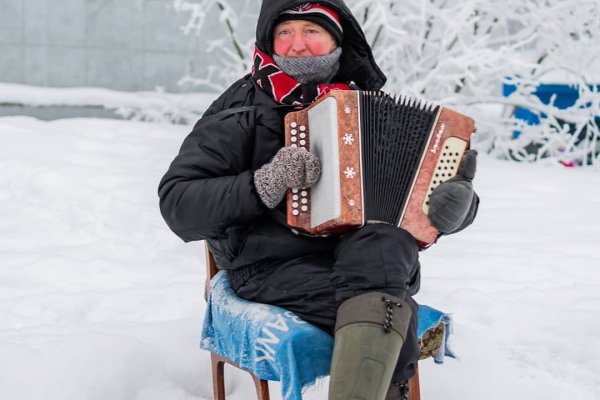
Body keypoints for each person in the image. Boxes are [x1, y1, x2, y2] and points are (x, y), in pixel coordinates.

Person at [158, 1, 479, 399]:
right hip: (270, 266)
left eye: (311, 31)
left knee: (388, 245)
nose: (296, 45)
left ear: (336, 39)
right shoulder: (241, 110)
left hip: (367, 260)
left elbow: (412, 200)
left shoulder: (368, 108)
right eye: (285, 33)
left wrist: (455, 210)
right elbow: (178, 203)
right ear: (268, 40)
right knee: (393, 309)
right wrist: (266, 183)